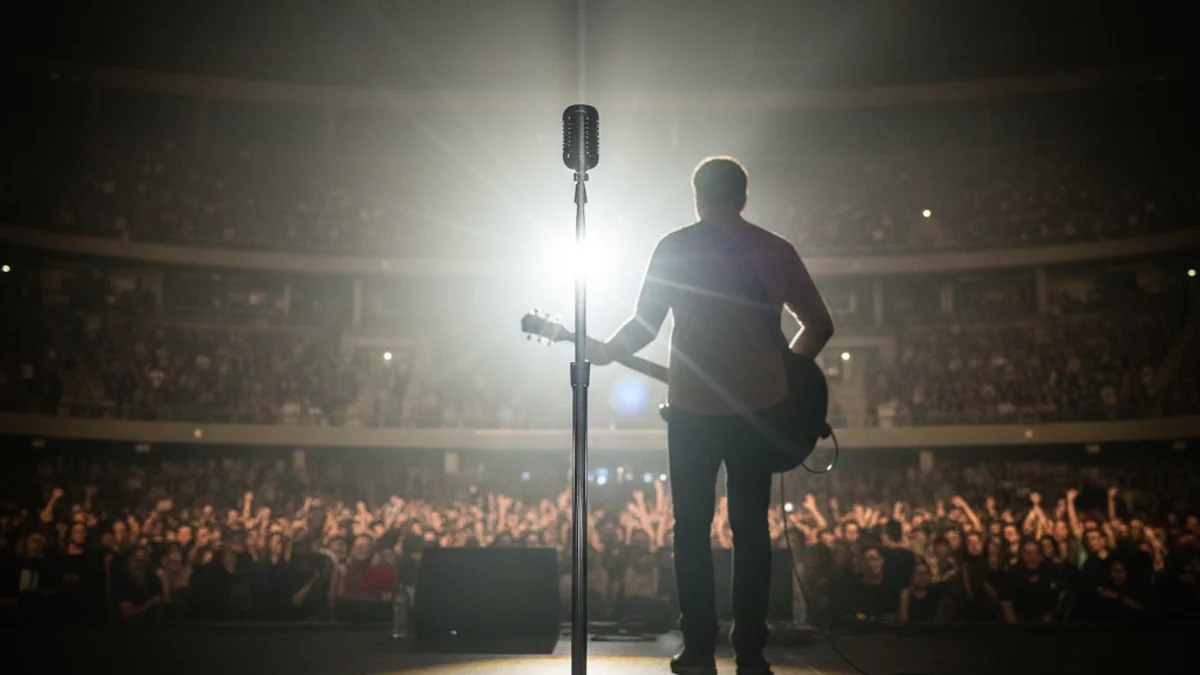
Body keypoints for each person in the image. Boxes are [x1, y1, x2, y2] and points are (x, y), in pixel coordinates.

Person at [594, 156, 834, 675]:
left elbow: (644, 326)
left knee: (691, 532)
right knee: (752, 532)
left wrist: (607, 350)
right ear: (743, 198)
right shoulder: (777, 250)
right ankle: (751, 653)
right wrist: (788, 371)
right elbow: (819, 323)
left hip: (693, 413)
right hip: (760, 413)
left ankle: (699, 651)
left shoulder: (674, 247)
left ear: (698, 197)